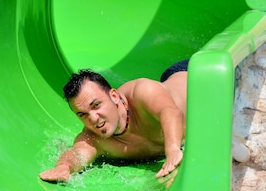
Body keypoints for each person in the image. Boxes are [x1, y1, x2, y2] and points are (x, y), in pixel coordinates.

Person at [39, 60, 190, 183]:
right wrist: (63, 167)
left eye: (96, 105)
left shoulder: (142, 92)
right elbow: (77, 153)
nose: (93, 118)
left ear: (114, 96)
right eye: (83, 114)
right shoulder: (96, 139)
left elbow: (170, 112)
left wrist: (172, 150)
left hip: (192, 73)